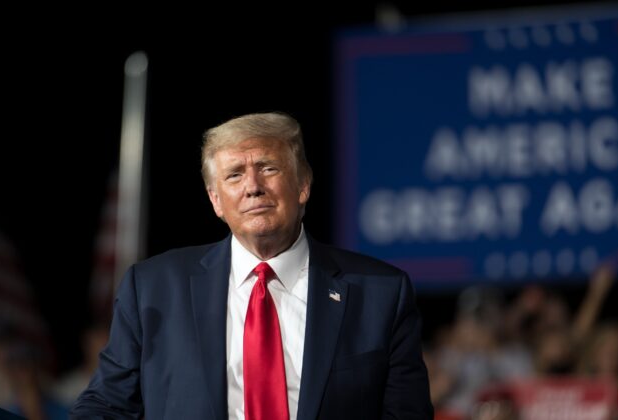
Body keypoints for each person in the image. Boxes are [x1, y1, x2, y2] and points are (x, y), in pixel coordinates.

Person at [70, 112, 433, 419]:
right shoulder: (153, 288)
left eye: (268, 168)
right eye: (234, 175)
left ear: (303, 184)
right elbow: (107, 405)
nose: (253, 187)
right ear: (216, 200)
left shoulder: (381, 292)